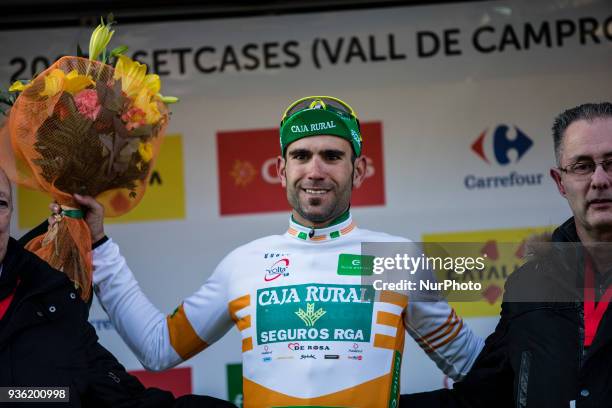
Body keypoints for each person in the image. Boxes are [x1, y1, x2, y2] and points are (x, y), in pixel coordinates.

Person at [71, 96, 484, 407]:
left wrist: (545, 291)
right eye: (301, 155)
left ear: (357, 170)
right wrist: (100, 247)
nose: (315, 170)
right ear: (282, 170)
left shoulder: (395, 259)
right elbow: (159, 347)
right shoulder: (244, 263)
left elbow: (474, 367)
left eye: (332, 156)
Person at [401, 102, 612, 407]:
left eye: (611, 162)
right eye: (582, 166)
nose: (600, 180)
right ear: (560, 182)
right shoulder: (530, 285)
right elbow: (483, 397)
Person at [0, 167, 234, 408]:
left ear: (11, 212)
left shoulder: (50, 297)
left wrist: (96, 243)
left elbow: (136, 376)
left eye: (1, 203)